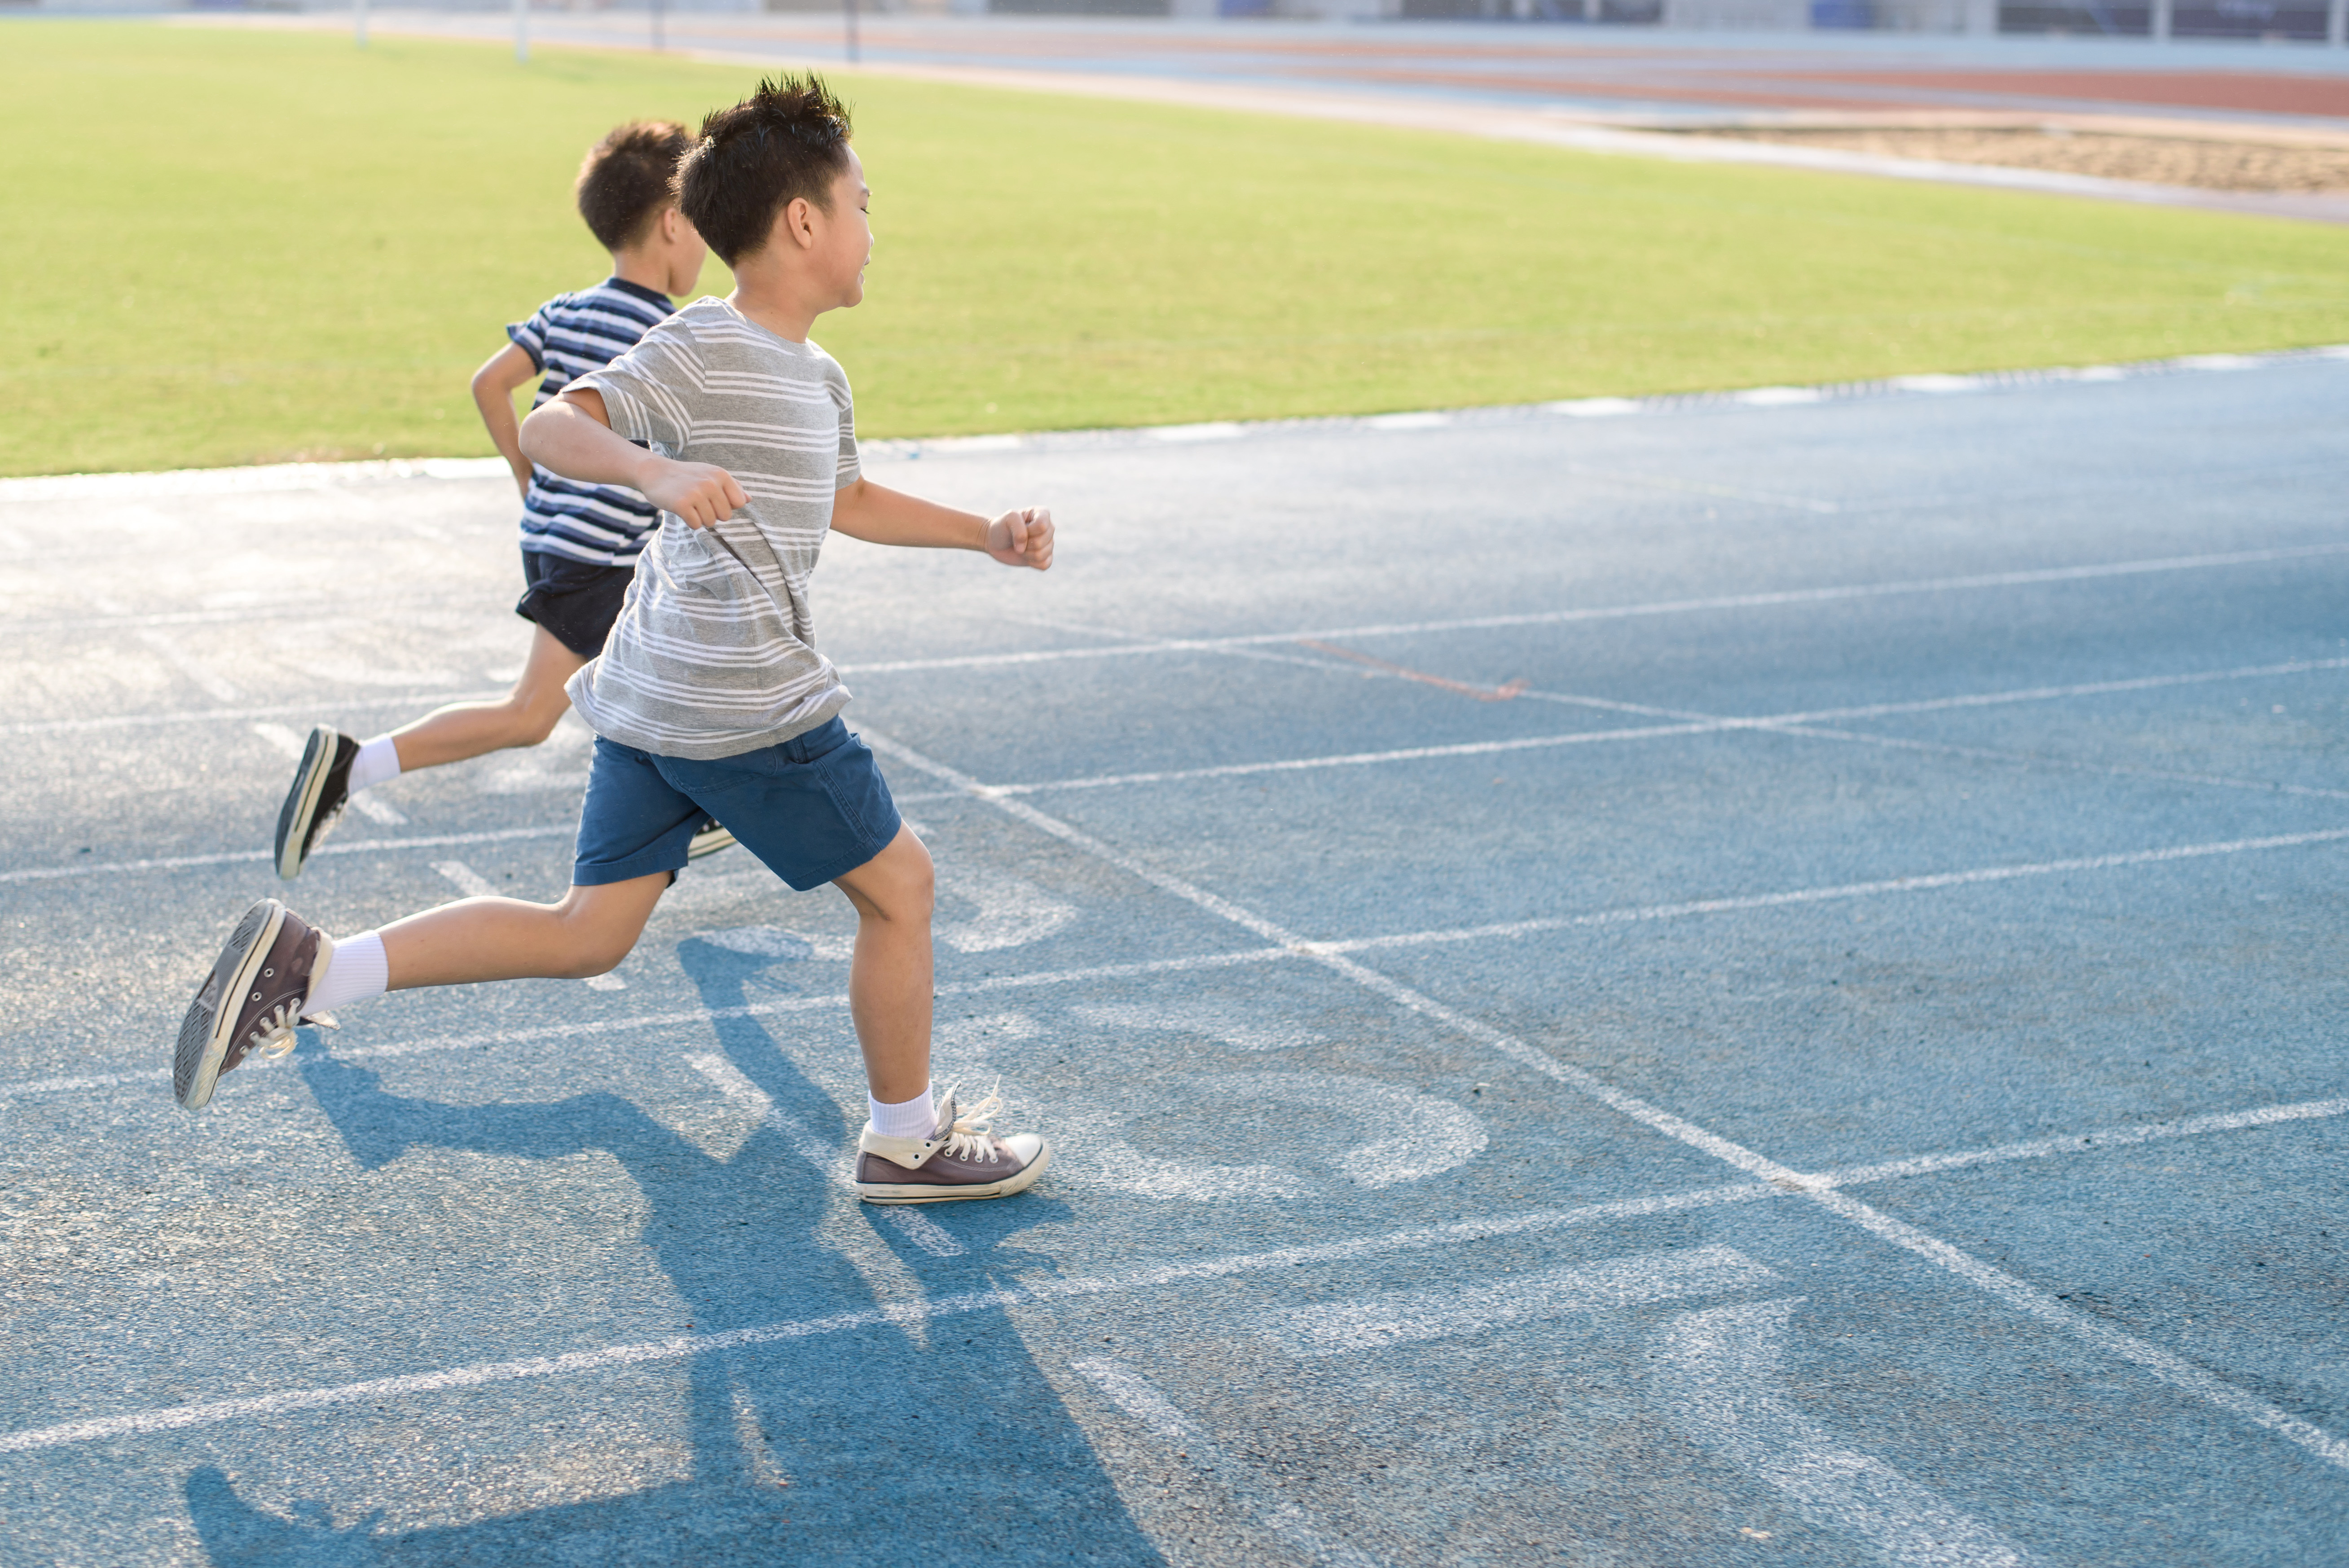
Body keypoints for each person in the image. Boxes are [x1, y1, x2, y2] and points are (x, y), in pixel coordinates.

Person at [176, 75, 1056, 1206]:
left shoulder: (818, 378)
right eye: (862, 206)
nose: (871, 233)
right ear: (803, 222)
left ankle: (317, 967)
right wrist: (656, 467)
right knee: (903, 889)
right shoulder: (697, 345)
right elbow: (552, 420)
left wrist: (985, 533)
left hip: (650, 701)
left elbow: (850, 498)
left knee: (589, 931)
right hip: (743, 706)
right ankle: (905, 1138)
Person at [273, 119, 735, 881]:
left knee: (667, 662)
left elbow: (490, 384)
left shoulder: (568, 309)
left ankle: (696, 804)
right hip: (598, 555)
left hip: (558, 539)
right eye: (703, 227)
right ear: (672, 223)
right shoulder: (668, 332)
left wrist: (530, 473)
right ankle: (351, 767)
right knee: (531, 715)